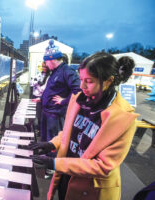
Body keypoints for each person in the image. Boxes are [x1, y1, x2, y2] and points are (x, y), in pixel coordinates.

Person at [29, 52, 138, 200]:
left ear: (108, 81)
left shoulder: (123, 117)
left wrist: (54, 162)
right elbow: (70, 131)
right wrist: (51, 144)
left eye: (89, 81)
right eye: (81, 79)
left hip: (91, 189)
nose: (82, 86)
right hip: (68, 175)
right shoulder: (79, 100)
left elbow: (103, 166)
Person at [40, 40, 81, 142]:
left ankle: (52, 158)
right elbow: (52, 89)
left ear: (52, 60)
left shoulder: (67, 71)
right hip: (47, 112)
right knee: (45, 141)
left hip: (55, 115)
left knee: (53, 143)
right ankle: (45, 156)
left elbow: (78, 90)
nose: (45, 64)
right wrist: (41, 99)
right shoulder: (55, 72)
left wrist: (64, 101)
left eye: (46, 61)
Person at [31, 61, 51, 134]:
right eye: (42, 66)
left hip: (42, 98)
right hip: (36, 96)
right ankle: (38, 129)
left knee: (41, 114)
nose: (43, 68)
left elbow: (43, 89)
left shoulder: (49, 76)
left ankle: (41, 130)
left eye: (45, 67)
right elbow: (31, 83)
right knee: (37, 114)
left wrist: (37, 84)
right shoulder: (39, 74)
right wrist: (37, 83)